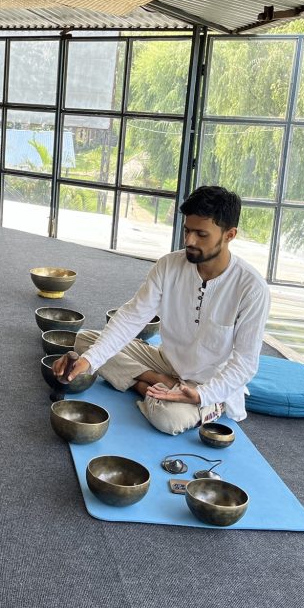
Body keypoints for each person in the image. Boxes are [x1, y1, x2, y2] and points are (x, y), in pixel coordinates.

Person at [54, 185, 270, 435]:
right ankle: (157, 382)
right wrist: (88, 361)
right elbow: (131, 318)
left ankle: (201, 402)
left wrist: (202, 394)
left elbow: (245, 363)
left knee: (167, 417)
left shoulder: (252, 288)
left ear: (229, 235)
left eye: (201, 234)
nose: (189, 241)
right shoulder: (169, 265)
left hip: (208, 381)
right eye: (187, 230)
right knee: (85, 342)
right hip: (165, 363)